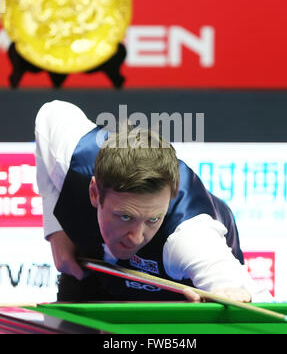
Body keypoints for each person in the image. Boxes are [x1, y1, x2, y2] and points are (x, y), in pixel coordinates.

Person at [35, 100, 272, 303]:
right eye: (125, 217)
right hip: (93, 271)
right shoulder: (73, 159)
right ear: (95, 192)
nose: (137, 237)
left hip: (176, 288)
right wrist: (55, 230)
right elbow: (50, 113)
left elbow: (255, 300)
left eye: (152, 219)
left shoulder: (190, 239)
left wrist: (237, 293)